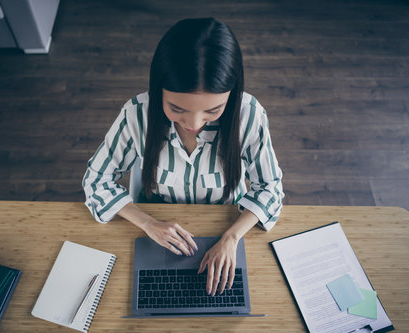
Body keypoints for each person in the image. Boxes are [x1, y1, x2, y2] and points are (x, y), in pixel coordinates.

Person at [82, 17, 283, 297]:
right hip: (155, 221)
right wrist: (148, 223)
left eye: (212, 111)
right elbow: (96, 182)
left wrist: (231, 237)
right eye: (177, 108)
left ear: (232, 95)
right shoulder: (137, 114)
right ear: (158, 89)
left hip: (225, 220)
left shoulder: (249, 114)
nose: (194, 123)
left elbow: (270, 188)